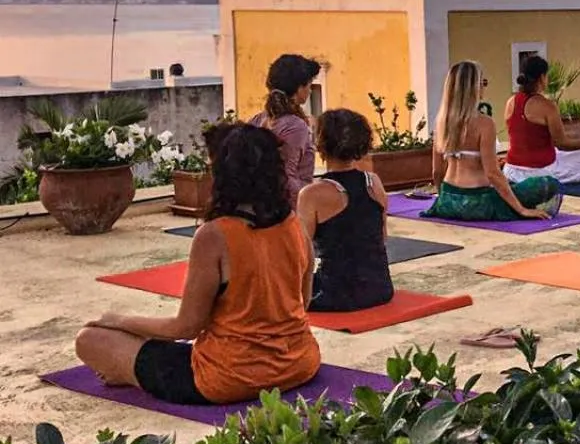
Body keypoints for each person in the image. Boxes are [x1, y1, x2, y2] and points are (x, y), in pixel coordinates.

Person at [75, 123, 319, 405]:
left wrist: (118, 320)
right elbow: (304, 301)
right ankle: (129, 368)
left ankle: (126, 371)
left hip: (229, 378)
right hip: (300, 364)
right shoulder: (294, 224)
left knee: (90, 339)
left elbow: (186, 328)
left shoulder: (214, 235)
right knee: (152, 348)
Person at [424, 61, 563, 222]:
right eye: (483, 83)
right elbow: (492, 173)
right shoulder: (484, 123)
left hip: (448, 199)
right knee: (548, 184)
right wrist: (521, 210)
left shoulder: (441, 122)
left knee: (511, 186)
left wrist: (444, 199)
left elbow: (437, 172)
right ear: (473, 88)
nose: (484, 88)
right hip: (478, 201)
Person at [298, 109, 393, 314]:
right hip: (380, 288)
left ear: (320, 145)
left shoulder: (311, 194)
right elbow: (382, 238)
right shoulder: (373, 182)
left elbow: (302, 254)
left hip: (336, 294)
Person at [503, 55, 580, 184]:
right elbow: (563, 144)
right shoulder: (547, 106)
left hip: (511, 170)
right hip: (539, 172)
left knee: (557, 153)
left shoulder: (510, 102)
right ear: (542, 77)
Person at [249, 53, 319, 203]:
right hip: (287, 208)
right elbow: (287, 176)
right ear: (299, 88)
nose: (310, 90)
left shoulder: (257, 120)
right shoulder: (295, 126)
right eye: (308, 85)